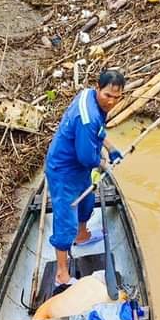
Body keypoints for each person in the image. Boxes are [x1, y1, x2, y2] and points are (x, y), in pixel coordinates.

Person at [45, 70, 125, 290]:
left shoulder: (88, 97)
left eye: (117, 98)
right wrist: (106, 164)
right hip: (64, 170)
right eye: (108, 95)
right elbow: (87, 157)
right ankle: (61, 274)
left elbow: (99, 132)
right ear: (98, 88)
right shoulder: (87, 116)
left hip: (78, 168)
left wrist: (111, 148)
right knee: (65, 219)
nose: (111, 102)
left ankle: (82, 236)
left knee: (87, 202)